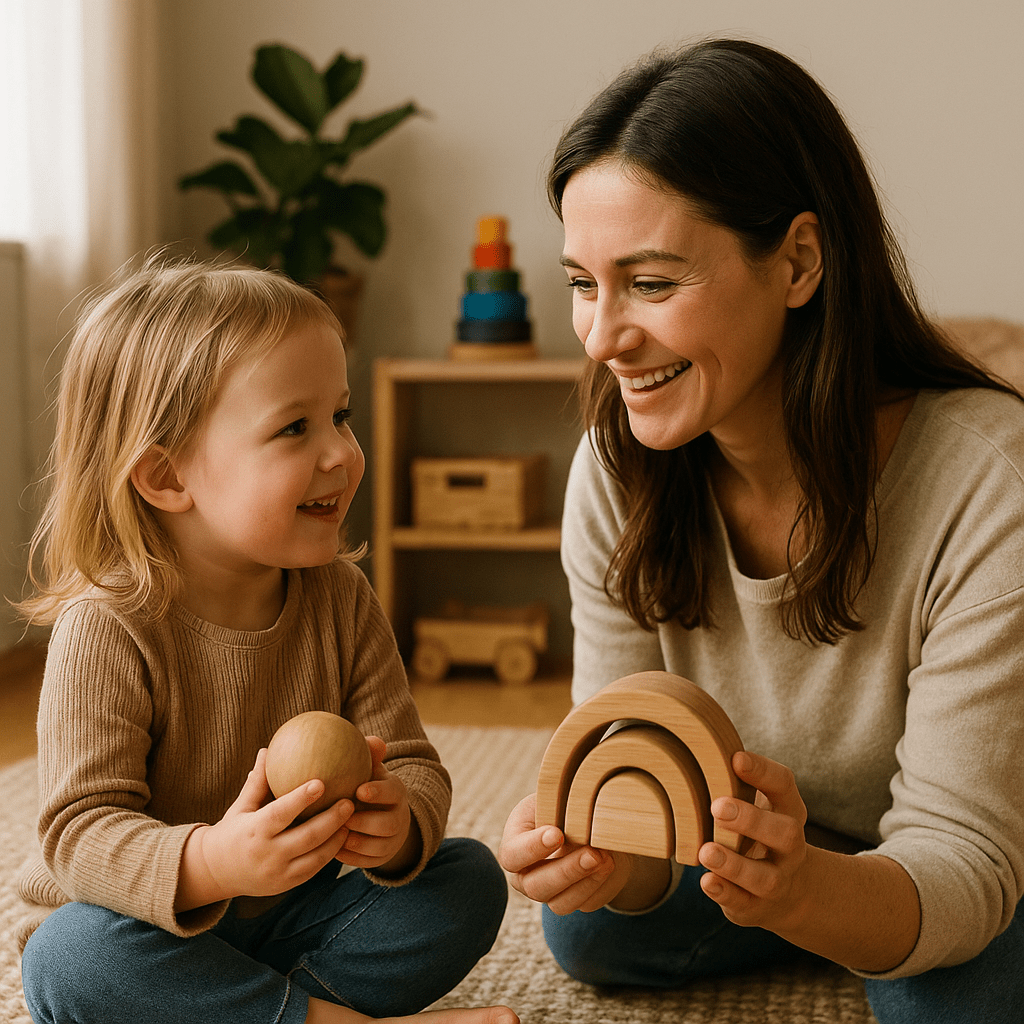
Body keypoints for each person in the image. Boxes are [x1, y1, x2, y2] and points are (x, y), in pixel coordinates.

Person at [498, 38, 1024, 1023]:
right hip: (764, 833)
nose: (603, 336)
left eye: (650, 283)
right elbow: (628, 751)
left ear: (796, 261)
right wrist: (600, 852)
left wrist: (807, 892)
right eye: (583, 282)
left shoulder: (990, 482)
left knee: (943, 996)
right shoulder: (618, 467)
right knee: (594, 926)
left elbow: (966, 856)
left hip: (990, 828)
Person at [15, 257, 517, 1024]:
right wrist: (215, 862)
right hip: (145, 926)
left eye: (341, 416)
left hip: (290, 920)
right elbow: (80, 834)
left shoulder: (341, 598)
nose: (343, 454)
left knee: (468, 879)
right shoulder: (109, 626)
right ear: (166, 477)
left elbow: (411, 761)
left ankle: (258, 1011)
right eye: (294, 427)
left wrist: (397, 826)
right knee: (70, 958)